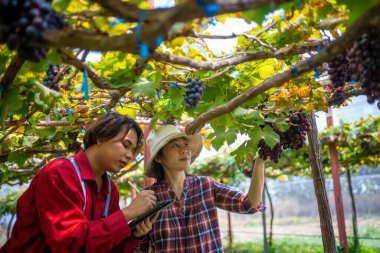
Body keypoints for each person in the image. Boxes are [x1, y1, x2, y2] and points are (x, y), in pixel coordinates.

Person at [1, 112, 158, 253]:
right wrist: (128, 213)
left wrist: (134, 234)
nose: (130, 155)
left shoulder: (110, 190)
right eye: (125, 145)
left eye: (133, 151)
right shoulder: (59, 174)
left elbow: (103, 246)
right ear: (101, 137)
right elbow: (70, 244)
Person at [134, 125, 266, 253]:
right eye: (175, 145)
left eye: (185, 144)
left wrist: (259, 163)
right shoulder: (148, 198)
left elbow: (249, 205)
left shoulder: (206, 185)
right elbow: (139, 248)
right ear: (158, 157)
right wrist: (138, 235)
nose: (184, 150)